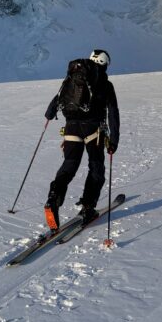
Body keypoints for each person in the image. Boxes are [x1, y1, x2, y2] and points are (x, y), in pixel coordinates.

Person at [44, 49, 119, 230]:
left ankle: (53, 198)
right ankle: (87, 207)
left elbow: (56, 101)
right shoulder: (105, 84)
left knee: (69, 165)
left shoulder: (73, 78)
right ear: (105, 63)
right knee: (96, 168)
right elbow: (113, 113)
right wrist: (114, 140)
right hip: (94, 130)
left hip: (71, 127)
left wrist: (49, 114)